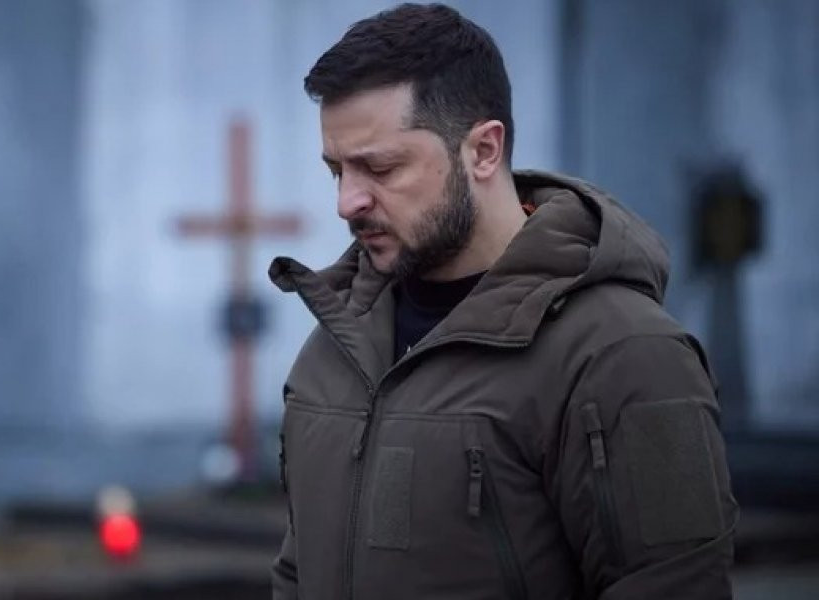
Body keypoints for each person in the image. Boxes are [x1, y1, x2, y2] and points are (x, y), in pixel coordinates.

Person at [268, 4, 737, 599]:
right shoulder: (334, 348)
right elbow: (297, 575)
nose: (347, 202)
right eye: (336, 170)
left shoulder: (624, 356)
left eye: (379, 167)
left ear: (484, 151)